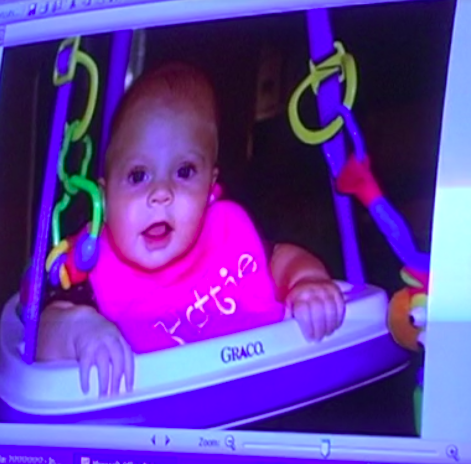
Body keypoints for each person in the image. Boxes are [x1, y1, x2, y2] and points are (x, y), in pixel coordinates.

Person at [34, 62, 345, 397]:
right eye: (138, 175)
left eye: (184, 171)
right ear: (105, 197)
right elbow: (40, 334)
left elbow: (280, 259)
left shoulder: (226, 236)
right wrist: (80, 331)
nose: (161, 193)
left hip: (261, 393)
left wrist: (308, 282)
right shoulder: (94, 273)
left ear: (211, 186)